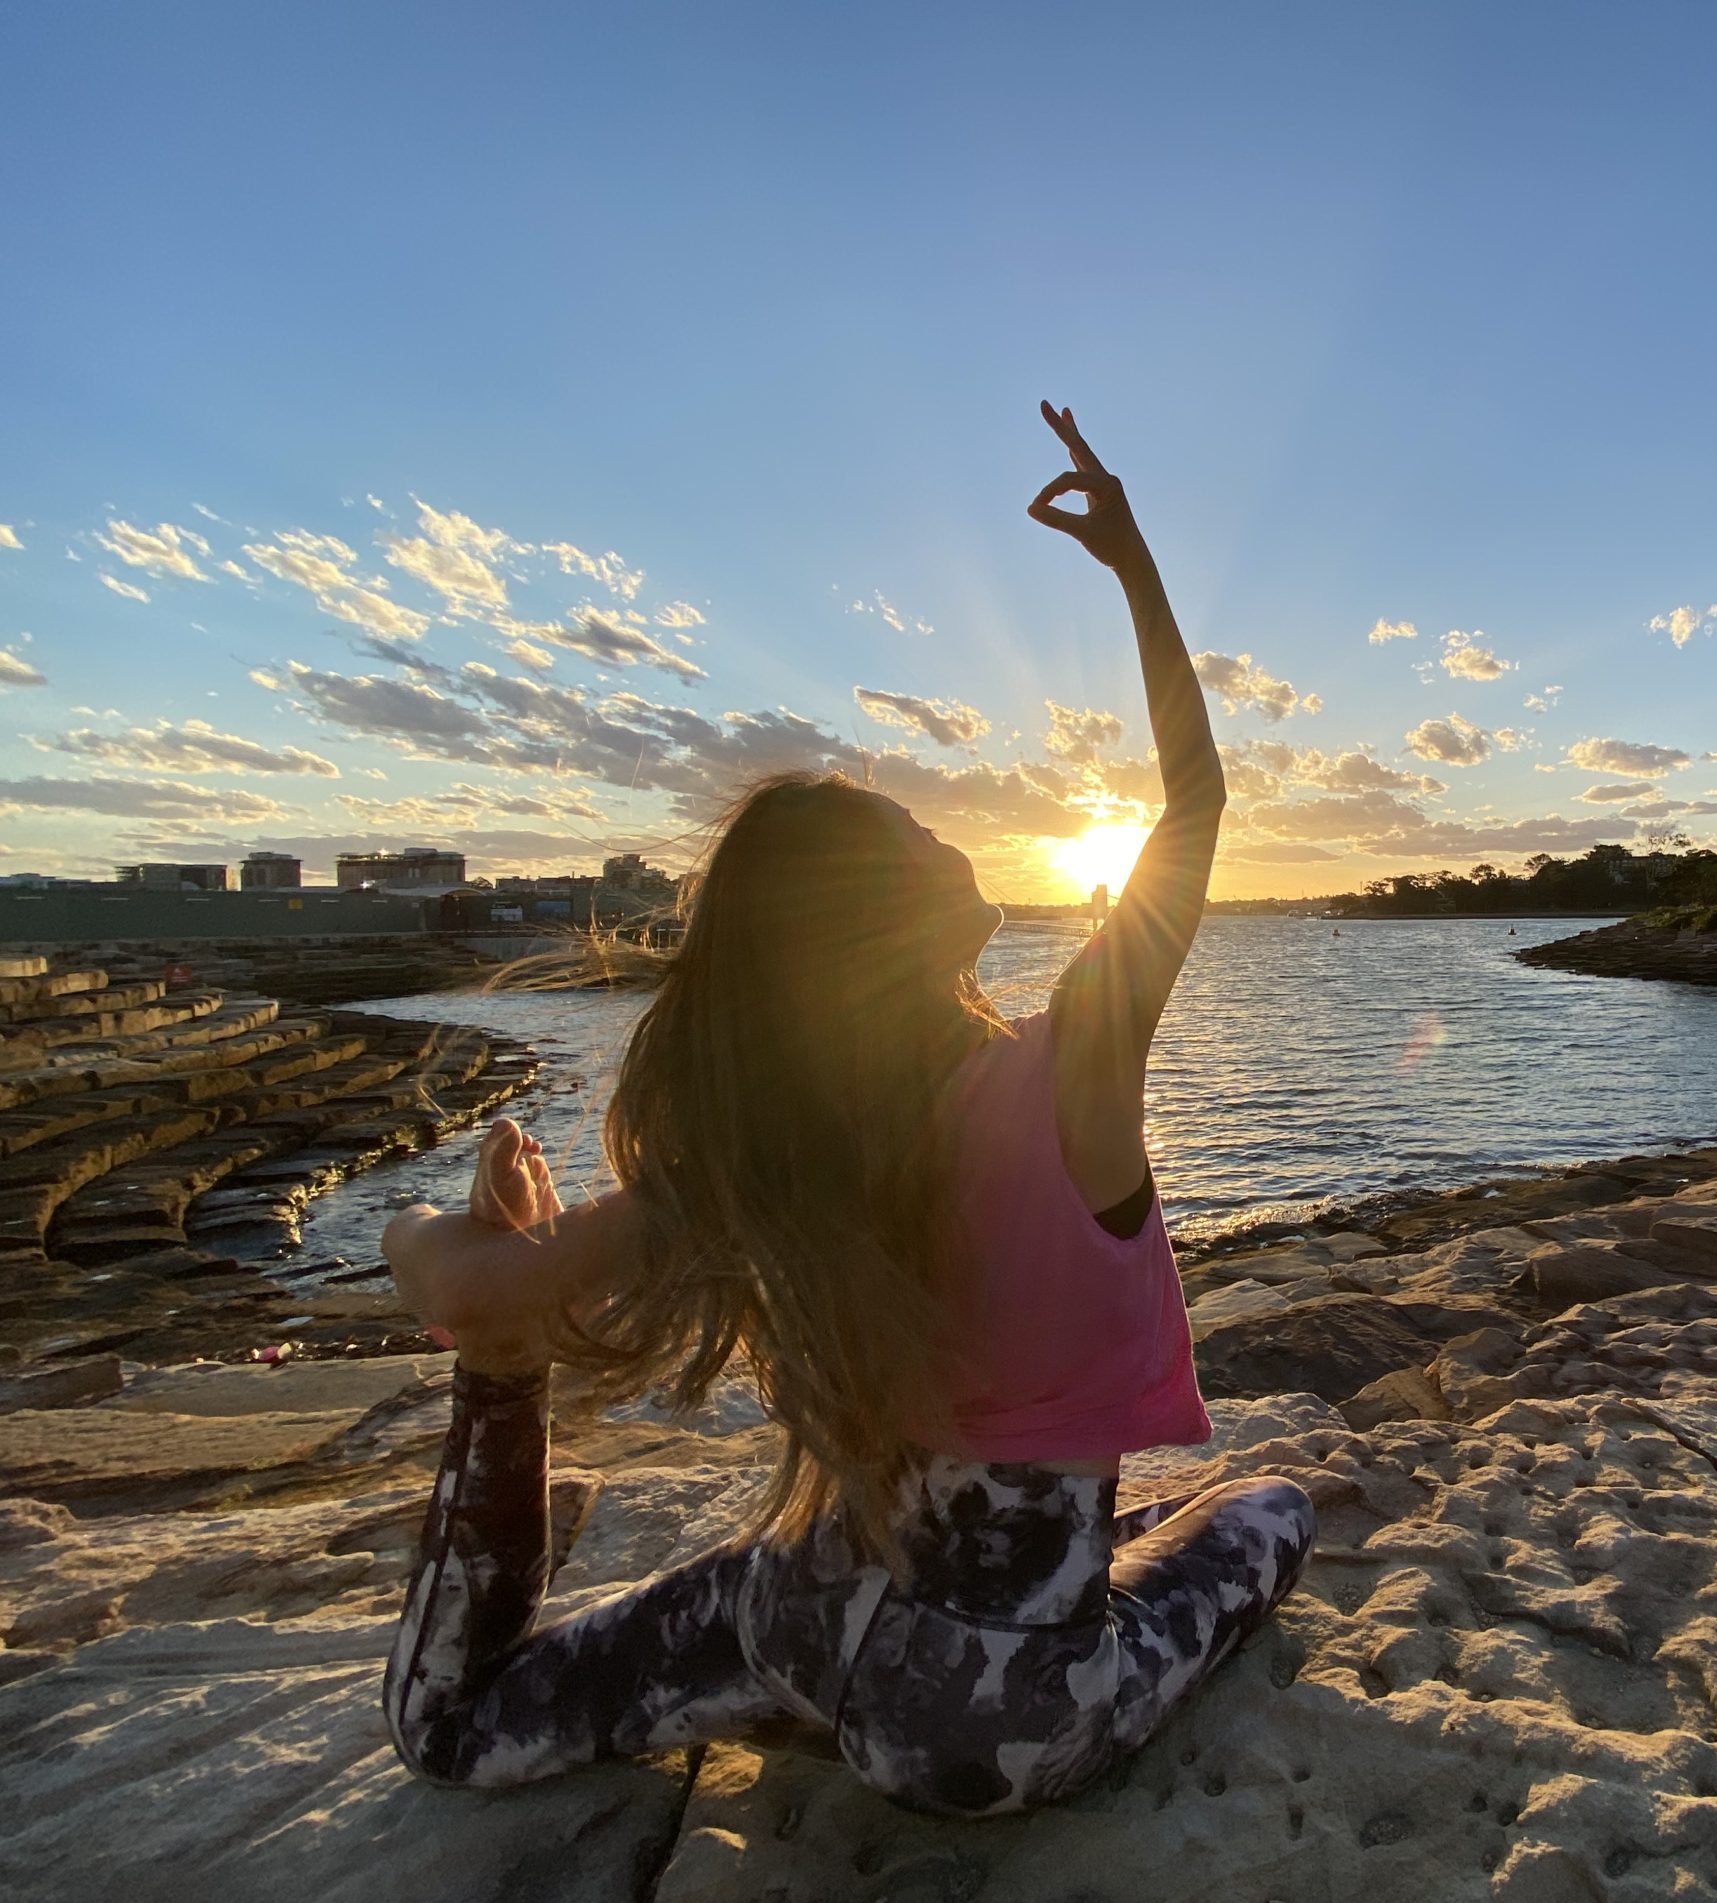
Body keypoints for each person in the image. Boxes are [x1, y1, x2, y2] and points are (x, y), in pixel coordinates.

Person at [378, 403, 1314, 1818]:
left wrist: (453, 1258)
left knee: (453, 1728)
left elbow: (460, 1289)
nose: (946, 834)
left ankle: (501, 1415)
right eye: (915, 836)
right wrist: (1136, 571)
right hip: (987, 1716)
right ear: (887, 919)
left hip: (800, 1621)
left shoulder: (771, 1157)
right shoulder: (1072, 1076)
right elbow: (1195, 806)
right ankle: (1146, 1554)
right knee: (1271, 1508)